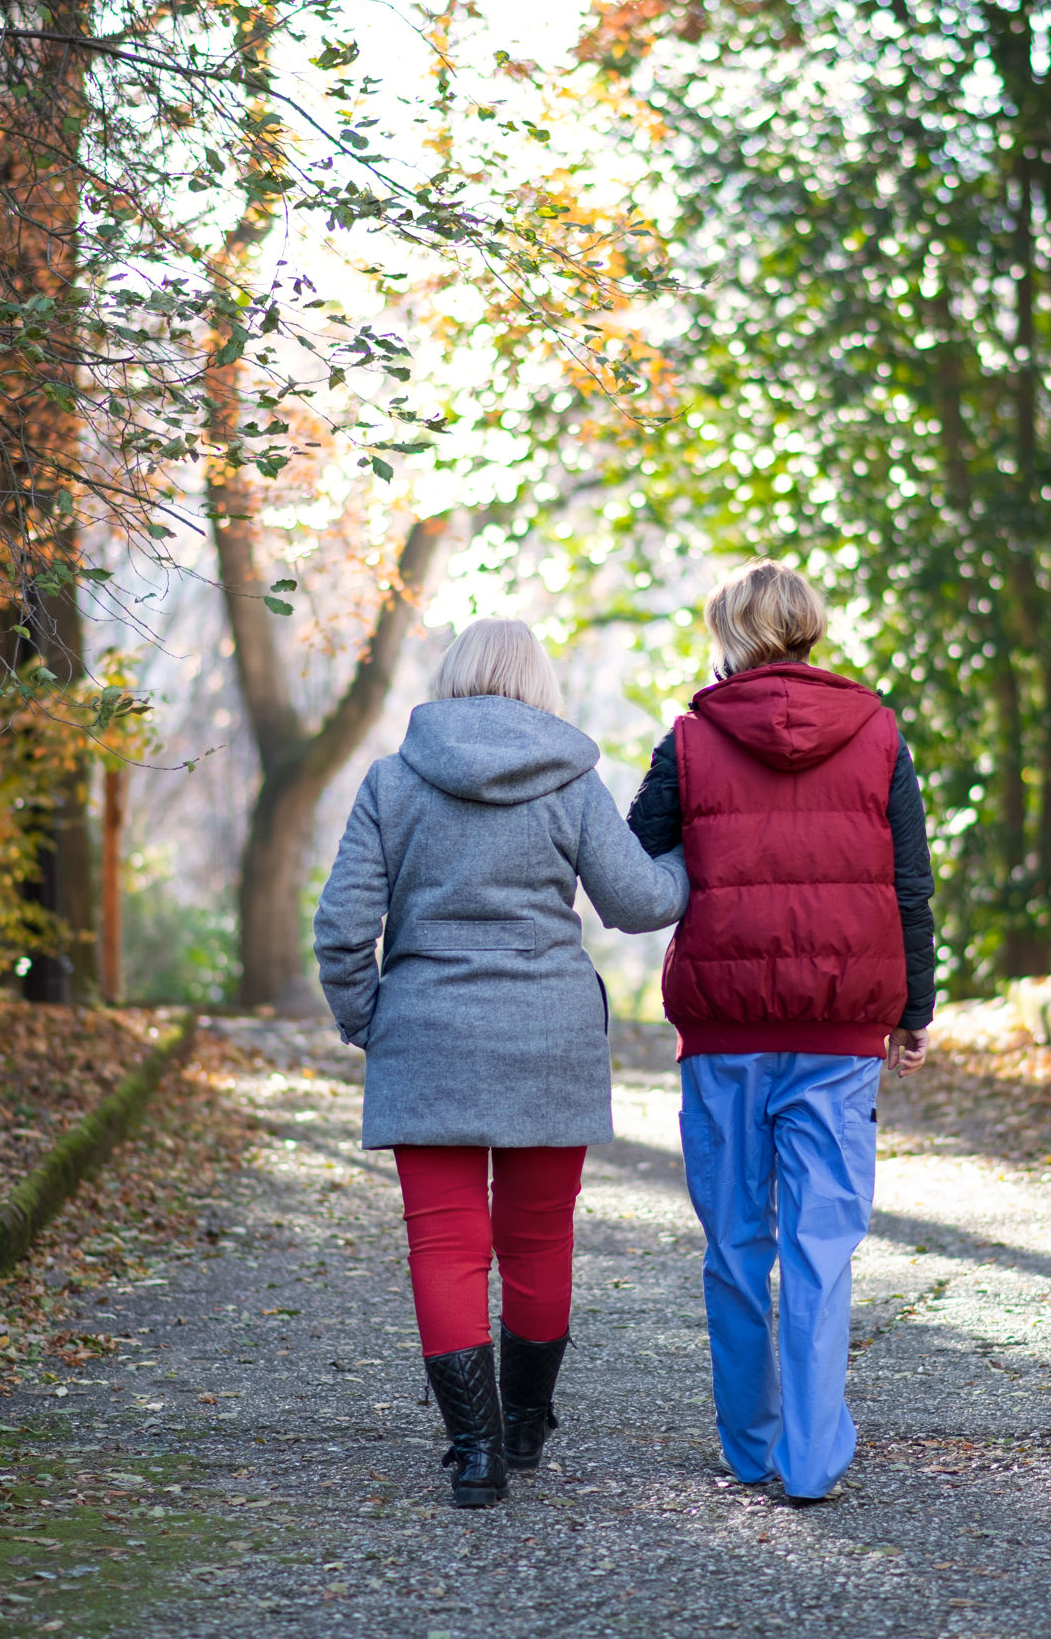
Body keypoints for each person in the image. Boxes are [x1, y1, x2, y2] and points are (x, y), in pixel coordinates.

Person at [313, 617, 688, 1508]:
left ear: (453, 675)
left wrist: (375, 1023)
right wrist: (699, 859)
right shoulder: (570, 779)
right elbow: (637, 903)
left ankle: (474, 1453)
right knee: (538, 1241)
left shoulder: (393, 780)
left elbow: (340, 929)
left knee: (443, 1250)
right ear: (540, 683)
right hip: (549, 1041)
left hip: (428, 1039)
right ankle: (524, 1424)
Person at [627, 560, 935, 1503]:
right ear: (808, 628)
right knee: (818, 1243)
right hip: (841, 1029)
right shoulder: (877, 732)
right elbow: (910, 884)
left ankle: (751, 1447)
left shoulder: (689, 738)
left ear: (729, 632)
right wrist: (913, 1009)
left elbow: (637, 856)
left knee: (734, 1246)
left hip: (725, 1030)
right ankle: (808, 1462)